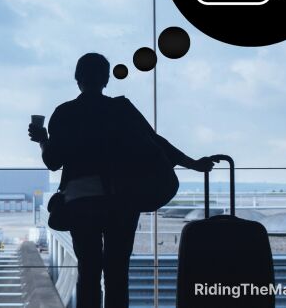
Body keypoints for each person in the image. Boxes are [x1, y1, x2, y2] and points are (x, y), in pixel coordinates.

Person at [28, 52, 217, 308]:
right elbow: (158, 145)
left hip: (81, 202)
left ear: (77, 78)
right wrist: (194, 164)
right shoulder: (121, 110)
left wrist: (42, 138)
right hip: (122, 201)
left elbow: (53, 161)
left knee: (89, 271)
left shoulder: (65, 113)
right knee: (117, 273)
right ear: (106, 79)